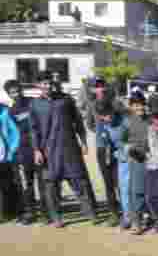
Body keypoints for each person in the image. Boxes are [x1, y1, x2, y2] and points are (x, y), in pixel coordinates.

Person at [31, 71, 98, 227]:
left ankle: (90, 213)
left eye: (48, 83)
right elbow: (33, 130)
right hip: (48, 150)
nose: (47, 86)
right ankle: (56, 217)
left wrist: (84, 142)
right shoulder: (35, 105)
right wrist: (36, 150)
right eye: (43, 84)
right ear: (38, 86)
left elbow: (78, 122)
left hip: (69, 147)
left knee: (80, 180)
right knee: (51, 185)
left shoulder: (65, 100)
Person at [4, 80, 46, 224]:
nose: (16, 94)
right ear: (9, 95)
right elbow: (11, 133)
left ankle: (47, 211)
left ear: (21, 89)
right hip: (23, 151)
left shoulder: (33, 102)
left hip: (40, 148)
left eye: (17, 90)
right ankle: (30, 212)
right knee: (27, 183)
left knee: (43, 181)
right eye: (12, 92)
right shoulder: (11, 111)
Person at [86, 77, 124, 226]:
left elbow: (124, 119)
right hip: (102, 147)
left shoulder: (116, 103)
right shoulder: (92, 106)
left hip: (117, 146)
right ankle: (113, 213)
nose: (100, 89)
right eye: (96, 87)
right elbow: (89, 124)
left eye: (102, 86)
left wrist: (114, 131)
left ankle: (127, 211)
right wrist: (101, 133)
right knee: (108, 182)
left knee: (120, 181)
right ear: (92, 90)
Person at [121, 93, 151, 233]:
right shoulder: (127, 122)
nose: (140, 107)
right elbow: (123, 142)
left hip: (153, 161)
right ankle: (136, 222)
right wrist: (129, 149)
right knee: (136, 191)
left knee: (152, 190)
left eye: (141, 104)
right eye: (136, 105)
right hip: (136, 160)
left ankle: (153, 218)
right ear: (131, 106)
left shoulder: (151, 120)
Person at [0, 97, 20, 222]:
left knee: (7, 185)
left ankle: (10, 212)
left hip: (4, 156)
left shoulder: (5, 111)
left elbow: (15, 132)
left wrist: (12, 150)